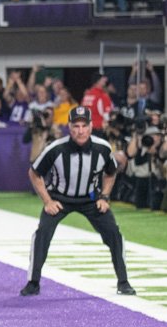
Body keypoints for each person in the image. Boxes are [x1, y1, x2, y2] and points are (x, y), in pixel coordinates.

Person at [20, 106, 135, 297]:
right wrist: (47, 201)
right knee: (42, 234)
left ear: (91, 126)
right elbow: (34, 173)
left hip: (91, 200)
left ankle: (123, 282)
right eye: (76, 126)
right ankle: (33, 282)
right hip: (59, 199)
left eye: (84, 126)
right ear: (69, 127)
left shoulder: (102, 148)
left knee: (114, 234)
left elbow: (111, 172)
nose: (80, 131)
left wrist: (105, 197)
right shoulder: (56, 148)